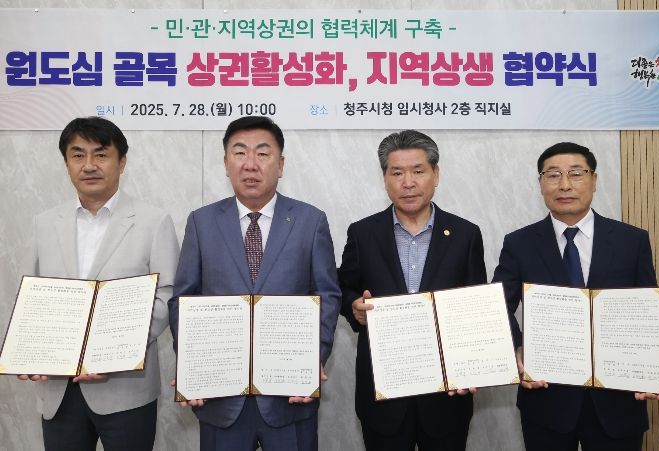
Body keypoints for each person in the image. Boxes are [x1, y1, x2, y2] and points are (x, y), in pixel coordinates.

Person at [168, 115, 340, 451]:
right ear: (225, 163)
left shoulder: (310, 221)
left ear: (281, 164)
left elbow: (327, 295)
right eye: (239, 153)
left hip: (289, 396)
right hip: (221, 398)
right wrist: (192, 367)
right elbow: (184, 299)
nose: (250, 164)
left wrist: (311, 360)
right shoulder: (201, 222)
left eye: (262, 153)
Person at [18, 116, 180, 451]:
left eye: (101, 154)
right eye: (78, 155)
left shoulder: (153, 221)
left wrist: (113, 354)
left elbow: (167, 296)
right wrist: (29, 352)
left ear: (122, 162)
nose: (89, 165)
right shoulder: (43, 224)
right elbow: (30, 298)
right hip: (59, 390)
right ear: (66, 163)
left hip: (126, 390)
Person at [492, 141, 659, 451]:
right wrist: (516, 349)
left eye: (576, 173)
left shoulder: (631, 240)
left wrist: (657, 368)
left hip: (618, 399)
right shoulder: (520, 243)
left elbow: (649, 312)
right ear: (541, 183)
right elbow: (498, 307)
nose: (565, 185)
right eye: (553, 175)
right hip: (547, 399)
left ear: (594, 180)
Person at [338, 130, 486, 451]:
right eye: (397, 173)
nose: (408, 182)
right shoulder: (362, 233)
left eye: (418, 171)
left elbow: (476, 307)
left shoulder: (465, 234)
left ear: (436, 174)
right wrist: (353, 307)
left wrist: (474, 366)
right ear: (385, 179)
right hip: (383, 396)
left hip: (447, 395)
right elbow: (344, 287)